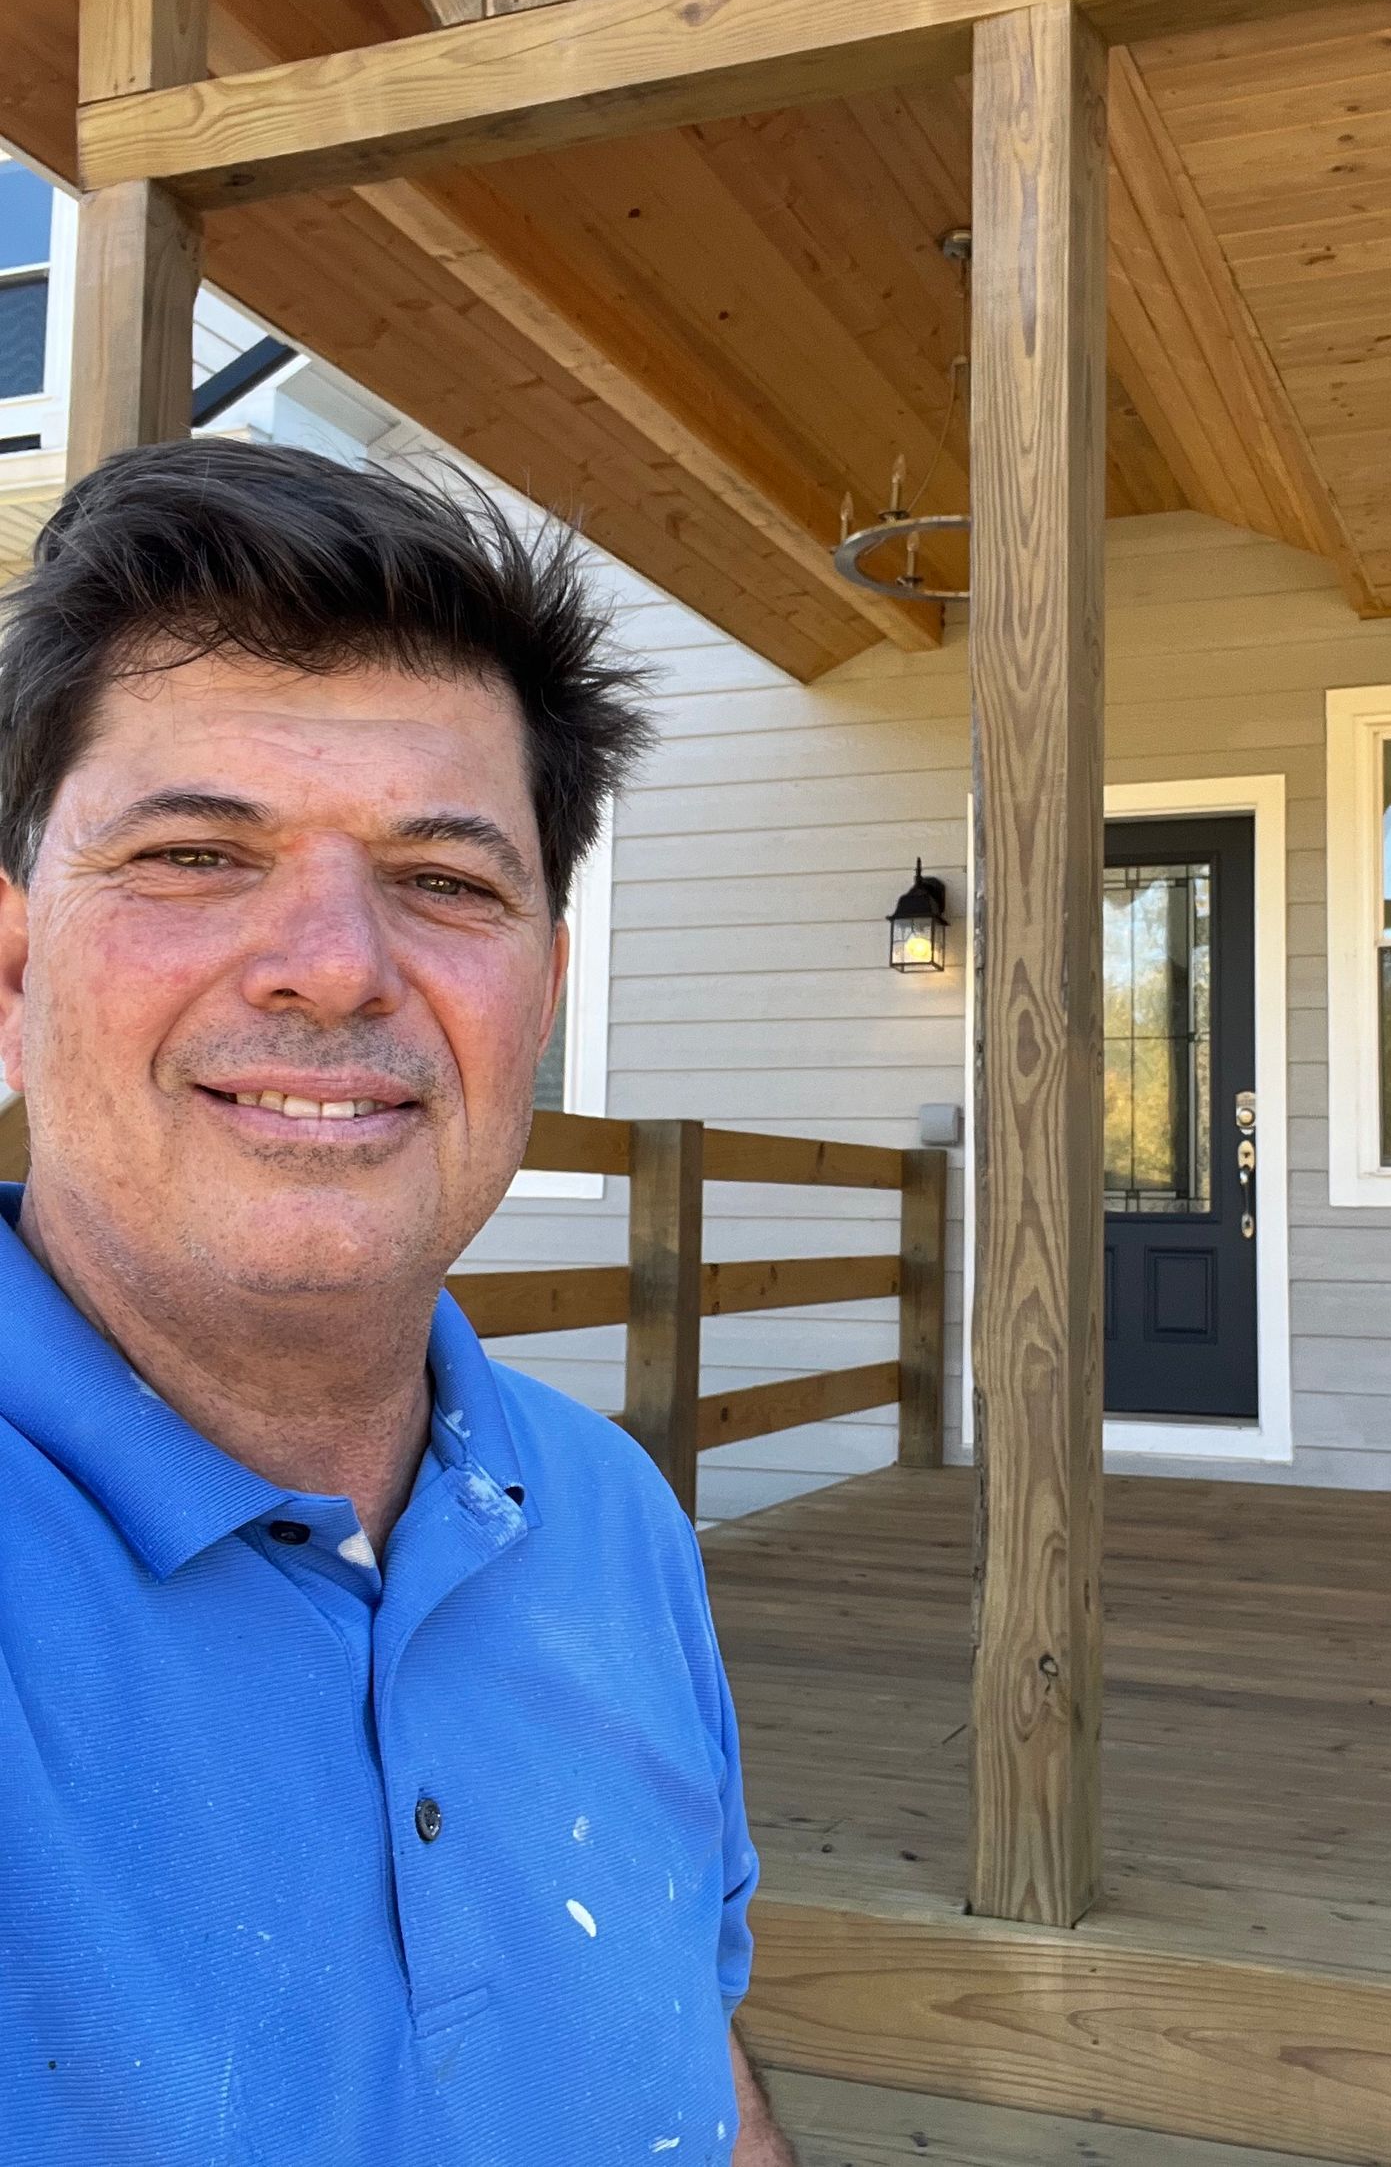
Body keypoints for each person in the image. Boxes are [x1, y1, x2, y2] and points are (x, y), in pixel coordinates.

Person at [0, 441, 795, 2166]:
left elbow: (686, 2046)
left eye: (446, 883)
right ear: (12, 967)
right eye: (199, 852)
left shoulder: (610, 1519)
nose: (338, 962)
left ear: (543, 994)